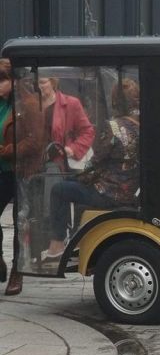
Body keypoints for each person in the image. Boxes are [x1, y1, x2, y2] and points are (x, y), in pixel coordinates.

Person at [41, 79, 142, 264]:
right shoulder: (143, 126)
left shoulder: (113, 127)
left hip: (111, 192)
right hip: (133, 191)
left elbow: (96, 163)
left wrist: (79, 176)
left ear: (115, 101)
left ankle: (57, 244)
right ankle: (77, 240)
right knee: (77, 190)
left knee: (60, 190)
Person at [1, 63, 44, 295]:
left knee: (20, 220)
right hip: (2, 172)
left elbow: (36, 141)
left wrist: (6, 151)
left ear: (13, 81)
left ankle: (18, 271)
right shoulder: (0, 104)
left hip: (21, 170)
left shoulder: (27, 104)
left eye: (1, 80)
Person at [38, 76, 95, 170]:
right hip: (35, 165)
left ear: (53, 82)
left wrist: (73, 149)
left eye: (42, 82)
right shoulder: (30, 105)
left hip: (60, 165)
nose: (38, 86)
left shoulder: (71, 104)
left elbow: (88, 132)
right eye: (35, 83)